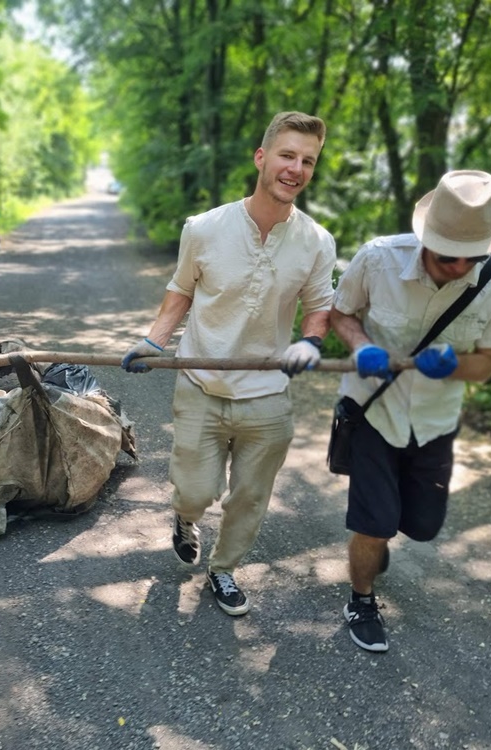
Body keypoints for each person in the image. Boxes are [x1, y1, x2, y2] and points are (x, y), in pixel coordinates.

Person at [121, 111, 336, 616]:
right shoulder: (204, 228)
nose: (296, 169)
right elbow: (181, 290)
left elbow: (319, 305)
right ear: (261, 158)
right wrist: (155, 341)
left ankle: (223, 568)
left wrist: (312, 342)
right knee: (194, 490)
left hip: (268, 394)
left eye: (307, 161)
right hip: (202, 383)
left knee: (250, 497)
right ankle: (185, 517)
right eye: (287, 155)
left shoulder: (317, 241)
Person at [330, 170, 491, 652]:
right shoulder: (379, 259)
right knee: (373, 522)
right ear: (425, 240)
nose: (459, 268)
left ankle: (379, 541)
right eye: (446, 257)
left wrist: (455, 364)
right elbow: (341, 312)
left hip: (436, 422)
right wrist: (361, 345)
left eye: (470, 258)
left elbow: (486, 364)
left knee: (421, 526)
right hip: (373, 411)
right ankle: (361, 599)